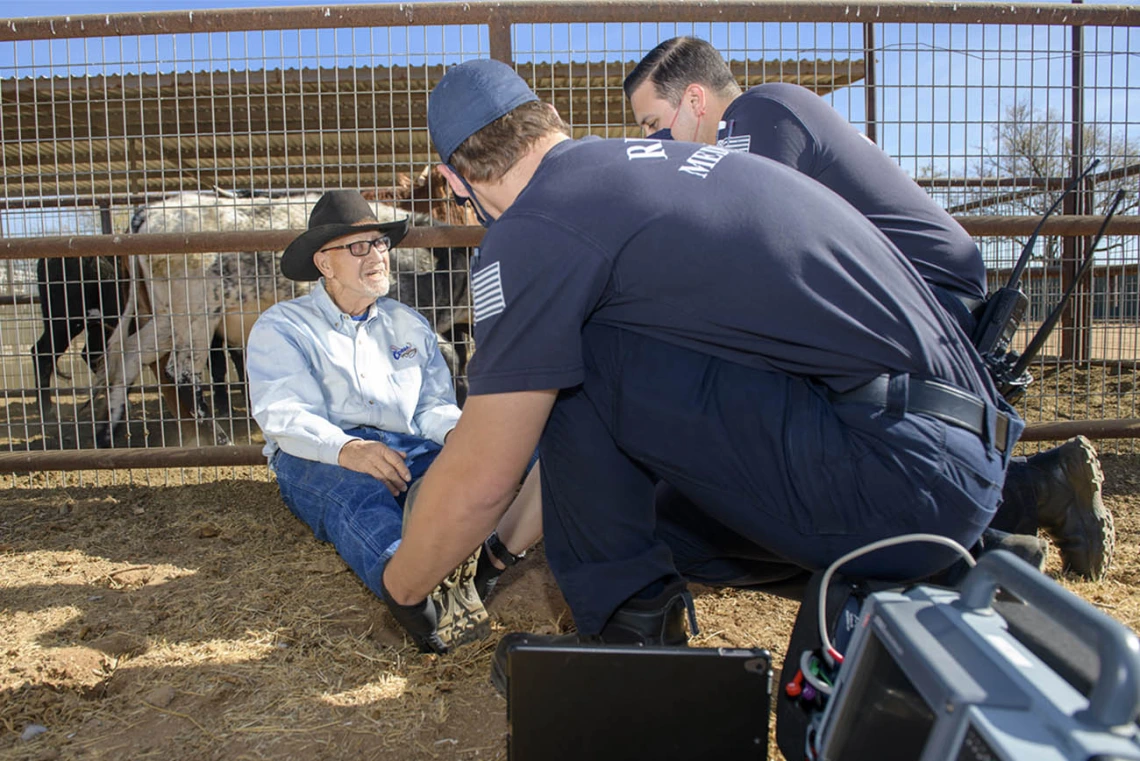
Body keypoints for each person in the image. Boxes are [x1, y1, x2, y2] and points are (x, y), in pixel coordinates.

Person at [378, 59, 1024, 681]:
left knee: (578, 345)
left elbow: (485, 475)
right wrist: (501, 552)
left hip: (896, 478)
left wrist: (404, 587)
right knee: (653, 527)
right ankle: (940, 571)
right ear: (550, 117)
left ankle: (629, 634)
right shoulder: (667, 166)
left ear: (455, 179)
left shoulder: (535, 227)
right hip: (958, 459)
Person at [623, 36, 1113, 580]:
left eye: (651, 122)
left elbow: (744, 244)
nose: (653, 140)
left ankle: (982, 551)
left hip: (925, 303)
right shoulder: (765, 117)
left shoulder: (754, 113)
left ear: (695, 100)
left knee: (800, 447)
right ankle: (1035, 498)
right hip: (907, 308)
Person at [246, 189, 536, 654]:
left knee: (469, 472)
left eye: (380, 244)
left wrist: (461, 435)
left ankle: (480, 555)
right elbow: (284, 413)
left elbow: (429, 406)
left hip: (406, 442)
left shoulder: (408, 324)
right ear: (324, 263)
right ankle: (409, 586)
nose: (378, 256)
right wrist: (348, 450)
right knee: (354, 496)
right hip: (319, 452)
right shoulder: (282, 326)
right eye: (359, 247)